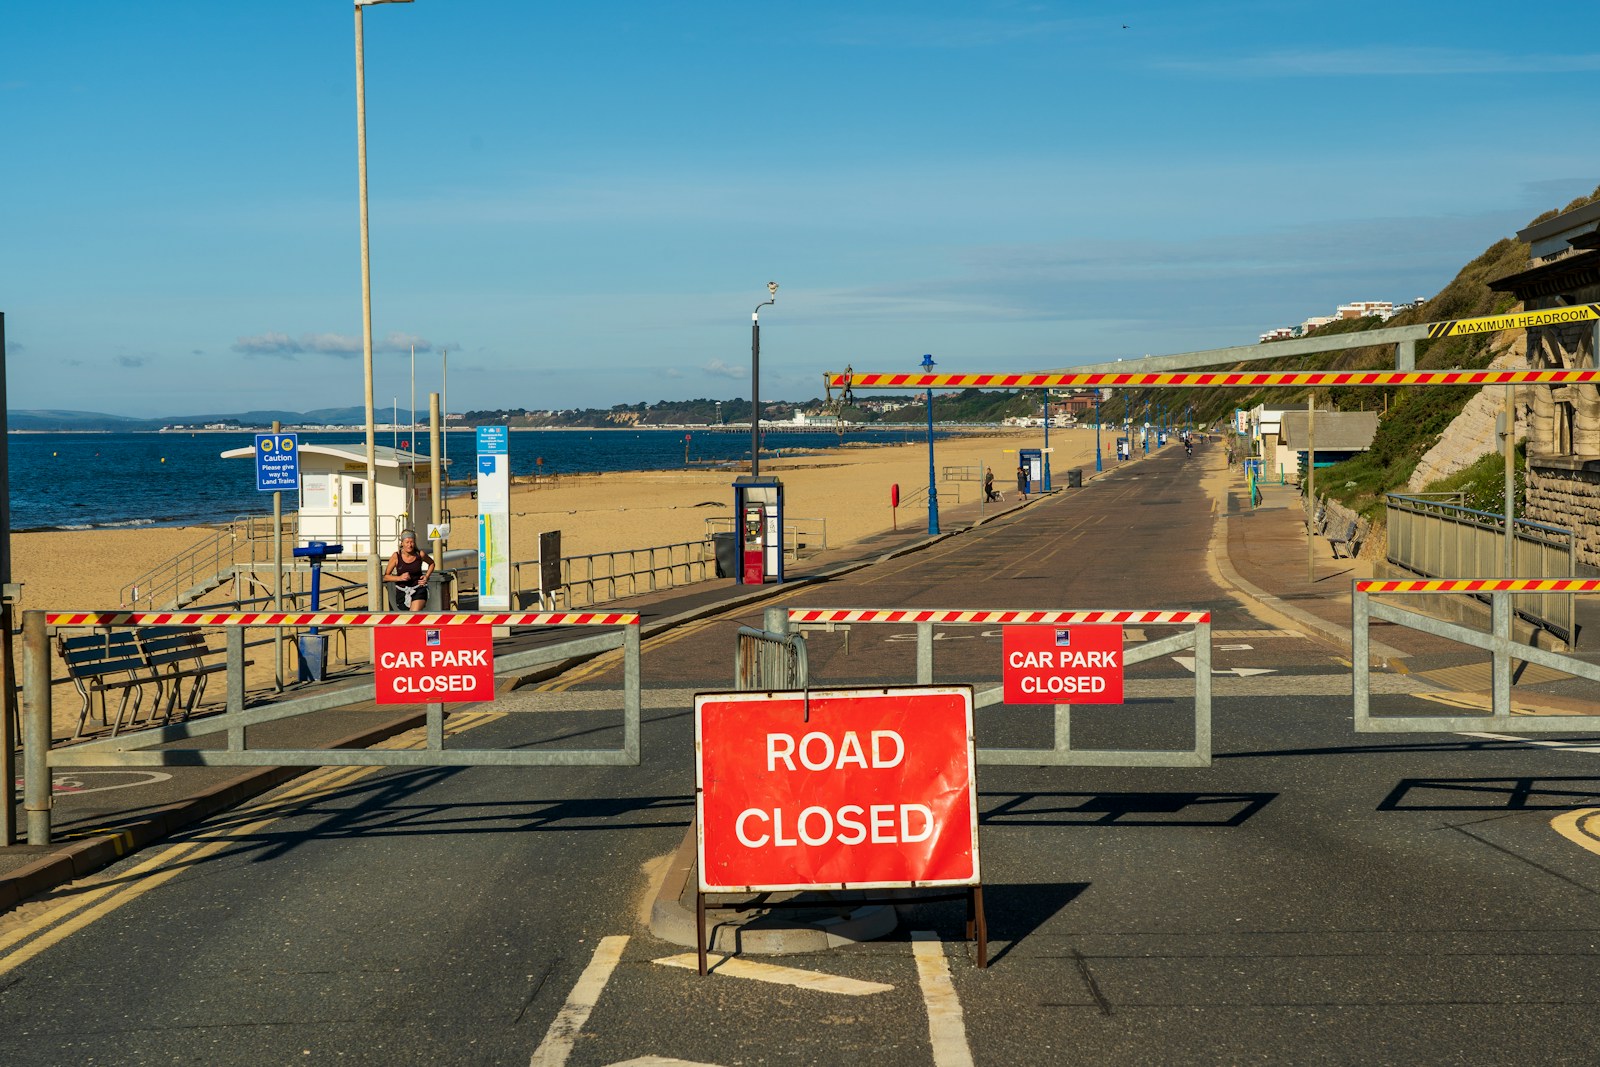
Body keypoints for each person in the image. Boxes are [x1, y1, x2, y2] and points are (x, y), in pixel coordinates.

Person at [384, 530, 435, 612]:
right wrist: (400, 578)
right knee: (406, 619)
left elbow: (432, 563)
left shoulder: (419, 554)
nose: (409, 545)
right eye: (407, 542)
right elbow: (386, 577)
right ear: (402, 543)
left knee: (413, 614)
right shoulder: (396, 556)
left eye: (412, 542)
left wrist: (426, 577)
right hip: (402, 592)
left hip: (418, 589)